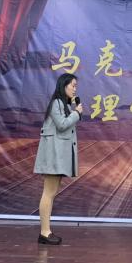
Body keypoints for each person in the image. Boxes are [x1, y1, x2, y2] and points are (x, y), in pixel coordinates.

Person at [34, 73, 82, 245]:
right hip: (53, 156)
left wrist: (73, 111)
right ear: (64, 85)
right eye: (73, 85)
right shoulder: (57, 103)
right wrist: (76, 113)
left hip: (58, 156)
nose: (75, 89)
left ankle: (46, 231)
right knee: (48, 192)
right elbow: (62, 125)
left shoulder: (64, 104)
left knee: (51, 192)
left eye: (76, 86)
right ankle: (44, 233)